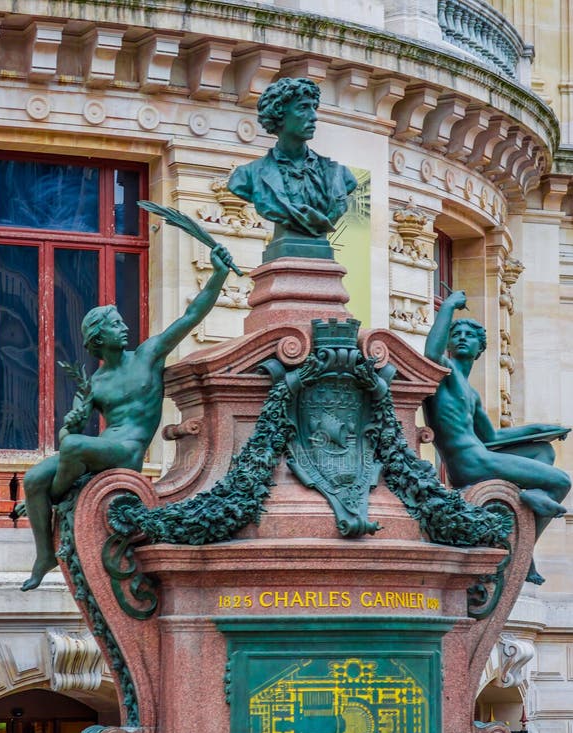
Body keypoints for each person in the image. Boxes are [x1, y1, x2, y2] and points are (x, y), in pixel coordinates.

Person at [20, 243, 234, 591]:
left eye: (122, 323)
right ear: (98, 338)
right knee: (32, 479)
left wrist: (219, 275)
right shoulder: (95, 383)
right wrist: (70, 425)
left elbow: (190, 317)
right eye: (116, 325)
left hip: (128, 451)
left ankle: (56, 498)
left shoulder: (147, 355)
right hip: (96, 450)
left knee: (70, 452)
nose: (124, 328)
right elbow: (67, 436)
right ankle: (45, 555)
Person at [424, 290, 570, 583]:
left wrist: (542, 430)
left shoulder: (472, 394)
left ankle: (528, 514)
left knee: (542, 452)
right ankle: (521, 550)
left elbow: (491, 437)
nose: (463, 337)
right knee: (562, 481)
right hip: (470, 464)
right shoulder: (446, 374)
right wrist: (449, 306)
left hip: (482, 454)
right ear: (450, 343)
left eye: (470, 334)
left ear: (481, 347)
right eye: (457, 333)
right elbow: (430, 354)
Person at [227, 77, 357, 237]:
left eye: (313, 107)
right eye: (303, 107)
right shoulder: (248, 176)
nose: (313, 116)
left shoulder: (340, 175)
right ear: (279, 113)